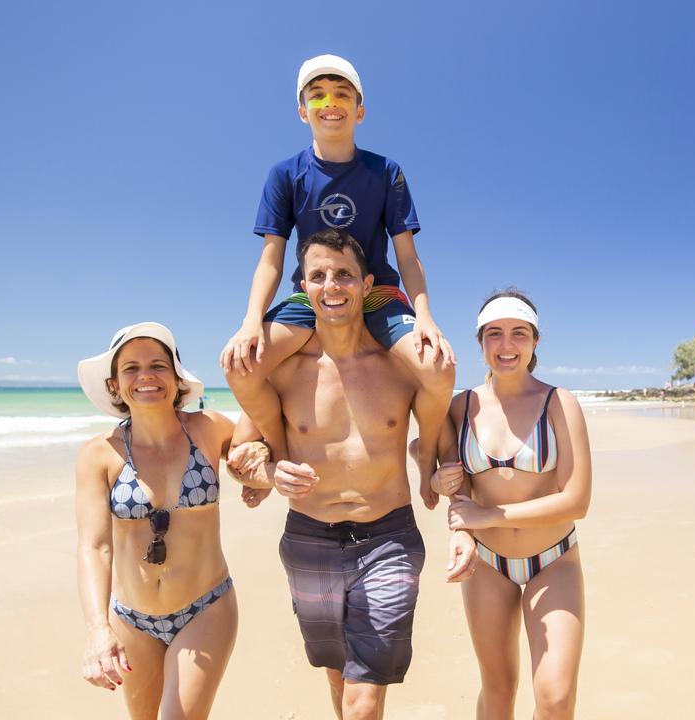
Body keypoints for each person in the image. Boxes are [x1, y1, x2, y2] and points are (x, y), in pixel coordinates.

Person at [227, 229, 463, 720]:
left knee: (364, 696)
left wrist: (441, 480)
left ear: (367, 282)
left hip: (389, 537)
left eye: (344, 275)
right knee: (338, 674)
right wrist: (269, 470)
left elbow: (439, 445)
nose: (331, 286)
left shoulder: (400, 368)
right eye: (318, 276)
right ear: (304, 288)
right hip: (309, 538)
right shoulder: (286, 372)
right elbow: (240, 456)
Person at [220, 54, 455, 509]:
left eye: (342, 93)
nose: (330, 102)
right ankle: (279, 452)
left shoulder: (385, 172)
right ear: (302, 110)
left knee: (438, 367)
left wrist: (425, 315)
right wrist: (251, 321)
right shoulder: (285, 174)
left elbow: (407, 253)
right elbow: (271, 258)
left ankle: (424, 454)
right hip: (313, 295)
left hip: (376, 292)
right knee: (238, 363)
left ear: (360, 110)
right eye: (318, 94)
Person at [74, 322, 264, 719]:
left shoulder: (209, 429)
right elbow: (95, 546)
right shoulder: (99, 454)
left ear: (177, 378)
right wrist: (97, 629)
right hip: (130, 617)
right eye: (131, 368)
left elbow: (256, 442)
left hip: (205, 607)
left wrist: (260, 473)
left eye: (158, 366)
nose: (146, 376)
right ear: (114, 385)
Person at [428, 289, 592, 719]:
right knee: (498, 690)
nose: (506, 345)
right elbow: (428, 470)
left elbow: (577, 500)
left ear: (535, 341)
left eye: (519, 333)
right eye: (494, 334)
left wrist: (487, 514)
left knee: (555, 699)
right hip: (487, 564)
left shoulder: (559, 403)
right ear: (480, 342)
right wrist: (434, 477)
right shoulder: (458, 407)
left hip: (553, 560)